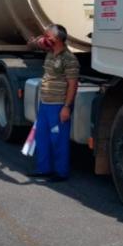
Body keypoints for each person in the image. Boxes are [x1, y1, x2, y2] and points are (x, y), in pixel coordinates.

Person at [28, 24, 79, 182]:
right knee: (42, 138)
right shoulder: (50, 52)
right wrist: (36, 41)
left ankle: (60, 172)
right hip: (45, 103)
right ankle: (43, 169)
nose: (45, 39)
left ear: (57, 39)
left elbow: (73, 84)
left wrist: (66, 107)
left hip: (58, 105)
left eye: (48, 36)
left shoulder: (69, 59)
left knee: (58, 140)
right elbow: (32, 44)